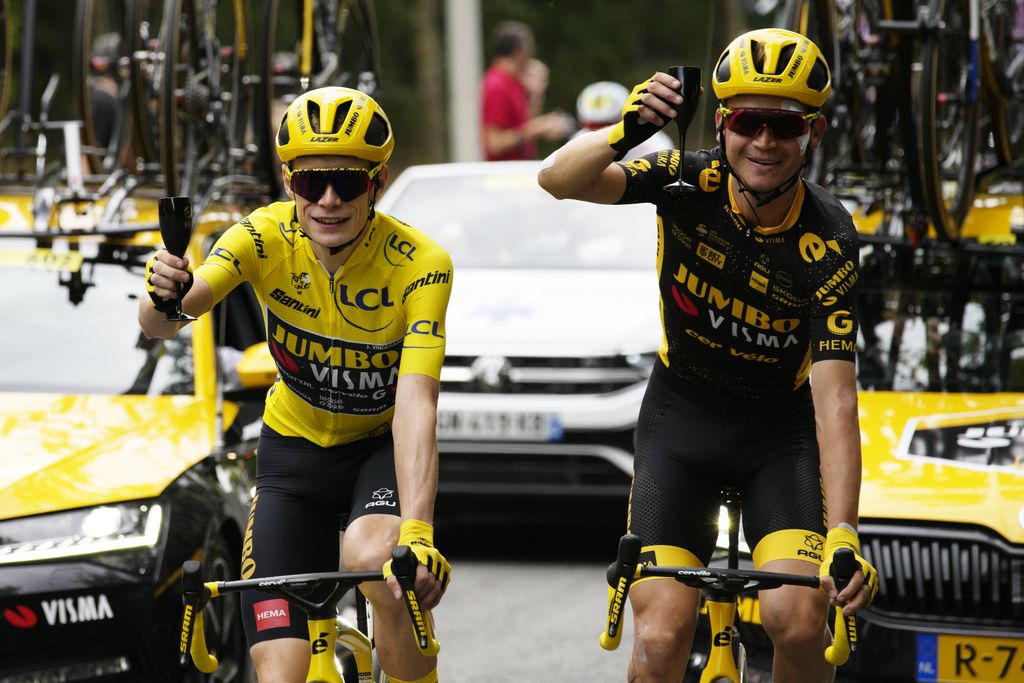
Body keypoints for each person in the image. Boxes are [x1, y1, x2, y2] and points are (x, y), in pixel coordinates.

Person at [538, 28, 879, 683]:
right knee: (660, 637)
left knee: (799, 620)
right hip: (680, 426)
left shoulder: (830, 237)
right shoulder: (685, 180)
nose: (765, 141)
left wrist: (845, 532)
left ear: (814, 133)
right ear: (722, 124)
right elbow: (556, 179)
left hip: (778, 438)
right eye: (748, 122)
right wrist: (626, 130)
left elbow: (836, 398)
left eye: (785, 126)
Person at [140, 86, 452, 683]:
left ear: (378, 182)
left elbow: (417, 402)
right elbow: (166, 321)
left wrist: (417, 531)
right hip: (292, 456)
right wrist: (162, 292)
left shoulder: (421, 262)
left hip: (376, 453)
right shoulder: (259, 237)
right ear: (289, 183)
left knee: (378, 563)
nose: (328, 200)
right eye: (312, 182)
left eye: (347, 182)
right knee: (280, 670)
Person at [480, 20, 572, 161]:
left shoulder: (513, 81)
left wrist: (535, 93)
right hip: (504, 171)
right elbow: (494, 144)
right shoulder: (497, 85)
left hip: (517, 167)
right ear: (519, 50)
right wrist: (540, 127)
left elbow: (524, 126)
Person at [573, 80, 674, 160]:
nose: (601, 133)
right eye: (593, 127)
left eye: (609, 126)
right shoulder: (577, 141)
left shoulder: (655, 144)